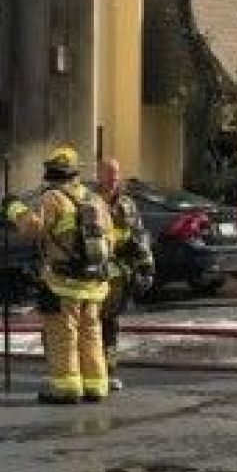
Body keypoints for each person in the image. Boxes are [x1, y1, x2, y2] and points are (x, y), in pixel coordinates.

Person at [6, 145, 114, 404]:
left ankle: (66, 388)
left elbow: (34, 229)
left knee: (63, 335)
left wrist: (13, 209)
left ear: (51, 173)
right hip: (93, 282)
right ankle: (96, 385)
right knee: (91, 335)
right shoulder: (95, 200)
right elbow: (110, 239)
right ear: (75, 172)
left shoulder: (53, 199)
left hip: (64, 284)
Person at [96, 158, 154, 390]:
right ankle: (89, 371)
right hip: (93, 275)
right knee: (90, 325)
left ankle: (108, 372)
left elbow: (140, 236)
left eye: (116, 174)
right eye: (109, 173)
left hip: (118, 277)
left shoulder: (127, 204)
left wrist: (146, 266)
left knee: (110, 327)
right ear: (98, 175)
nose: (113, 179)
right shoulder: (88, 202)